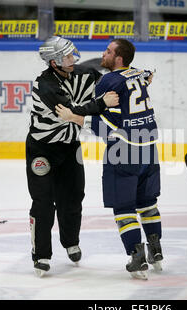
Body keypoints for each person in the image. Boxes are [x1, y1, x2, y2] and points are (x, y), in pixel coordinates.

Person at [55, 39, 163, 280]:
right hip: (149, 147)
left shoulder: (108, 81)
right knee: (147, 202)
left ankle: (137, 257)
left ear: (119, 59)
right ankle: (156, 250)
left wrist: (73, 116)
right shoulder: (139, 74)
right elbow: (146, 74)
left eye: (108, 51)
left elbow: (105, 127)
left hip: (124, 150)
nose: (103, 54)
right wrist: (148, 76)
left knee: (124, 207)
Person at [27, 36, 119, 277]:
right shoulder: (44, 85)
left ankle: (70, 241)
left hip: (69, 147)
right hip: (42, 149)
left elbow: (112, 84)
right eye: (66, 56)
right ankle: (41, 255)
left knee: (74, 196)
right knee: (43, 203)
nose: (73, 59)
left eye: (71, 54)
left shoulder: (83, 74)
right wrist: (102, 102)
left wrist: (137, 80)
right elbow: (72, 112)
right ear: (54, 61)